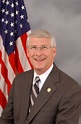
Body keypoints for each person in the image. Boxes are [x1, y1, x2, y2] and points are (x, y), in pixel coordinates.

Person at [0, 29, 81, 124]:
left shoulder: (71, 89)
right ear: (28, 52)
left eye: (44, 47)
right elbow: (6, 120)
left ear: (53, 52)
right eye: (33, 47)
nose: (38, 53)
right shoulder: (19, 80)